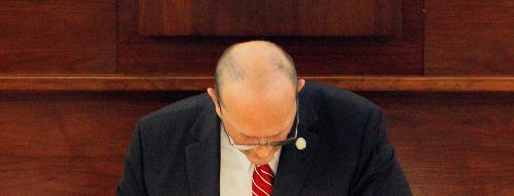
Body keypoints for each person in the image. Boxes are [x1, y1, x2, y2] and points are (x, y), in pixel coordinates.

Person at [117, 40, 412, 196]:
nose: (262, 152)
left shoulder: (355, 127)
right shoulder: (157, 139)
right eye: (244, 139)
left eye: (278, 137)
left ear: (298, 93)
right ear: (216, 103)